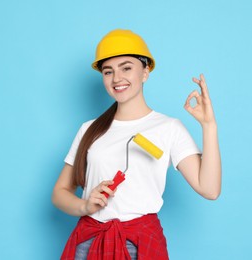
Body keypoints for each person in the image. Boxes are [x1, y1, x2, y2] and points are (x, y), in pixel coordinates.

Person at [52, 29, 222, 260]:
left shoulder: (169, 128)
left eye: (126, 67)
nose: (116, 78)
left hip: (140, 244)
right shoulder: (89, 129)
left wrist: (209, 126)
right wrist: (86, 206)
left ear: (145, 72)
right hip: (89, 243)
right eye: (108, 71)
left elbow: (209, 189)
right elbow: (60, 193)